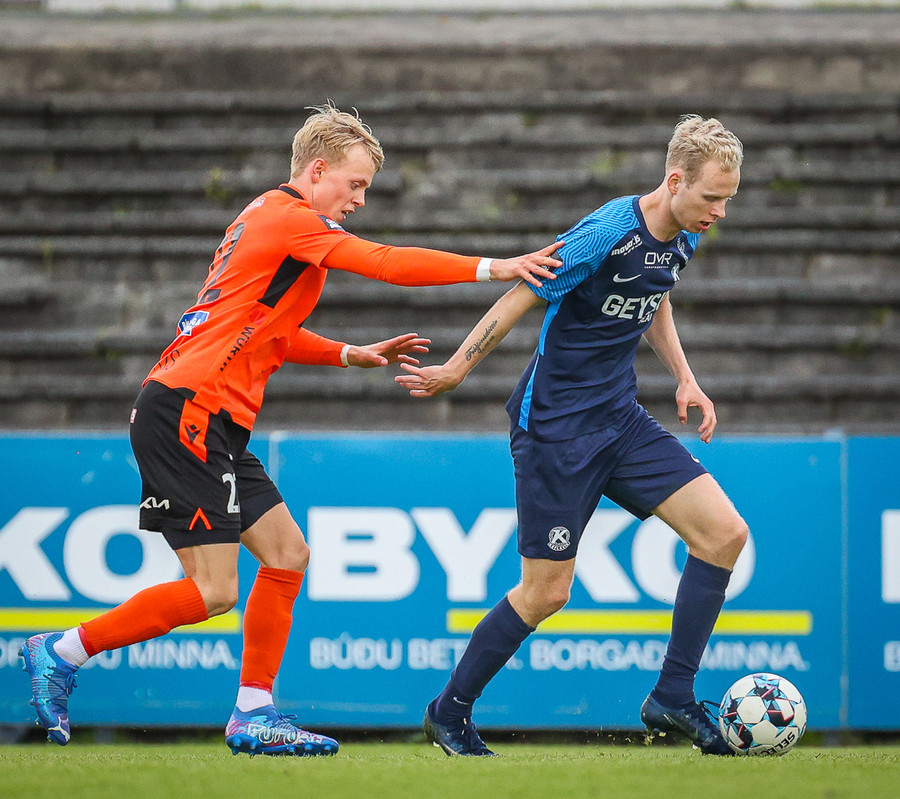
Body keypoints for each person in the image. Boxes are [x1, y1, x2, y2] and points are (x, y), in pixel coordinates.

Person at [19, 103, 562, 757]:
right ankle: (63, 650)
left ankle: (253, 711)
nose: (359, 200)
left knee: (287, 553)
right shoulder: (291, 218)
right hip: (189, 409)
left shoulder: (266, 218)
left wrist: (347, 353)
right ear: (318, 169)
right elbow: (387, 263)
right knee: (215, 590)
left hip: (209, 415)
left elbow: (267, 330)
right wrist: (497, 266)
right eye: (355, 184)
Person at [395, 115, 747, 757]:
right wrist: (457, 368)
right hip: (556, 431)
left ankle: (672, 696)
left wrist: (685, 378)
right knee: (546, 592)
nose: (719, 212)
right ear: (675, 181)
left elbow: (656, 295)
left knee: (724, 535)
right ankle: (448, 711)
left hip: (621, 420)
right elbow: (521, 294)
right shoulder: (605, 234)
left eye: (727, 199)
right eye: (711, 197)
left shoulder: (685, 234)